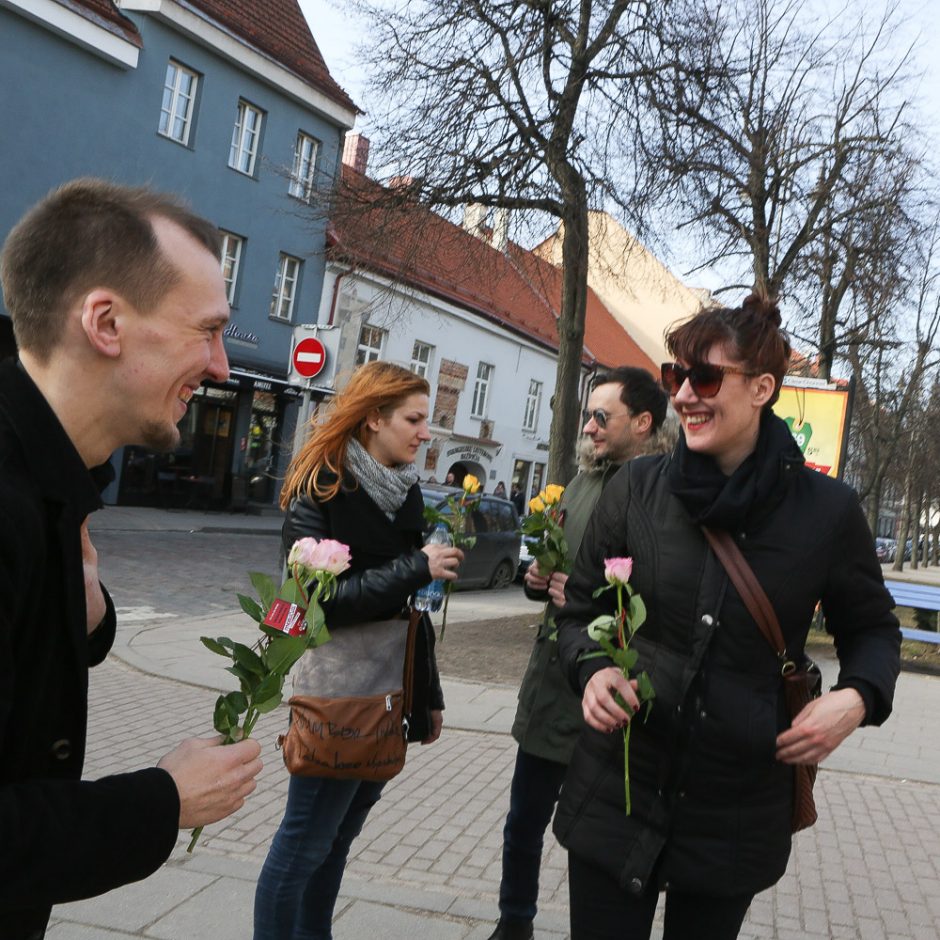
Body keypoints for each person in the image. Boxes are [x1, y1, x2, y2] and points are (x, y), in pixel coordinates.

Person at [554, 294, 901, 940]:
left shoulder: (827, 513)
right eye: (674, 377)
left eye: (705, 377)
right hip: (619, 790)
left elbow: (874, 631)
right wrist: (592, 668)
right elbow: (579, 610)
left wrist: (855, 699)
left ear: (763, 388)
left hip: (735, 812)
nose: (684, 395)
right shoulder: (637, 490)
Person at [0, 179, 263, 939]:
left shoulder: (54, 476)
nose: (220, 366)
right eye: (206, 331)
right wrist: (162, 801)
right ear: (106, 322)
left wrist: (86, 618)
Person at [254, 361, 464, 940]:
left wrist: (432, 693)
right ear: (374, 418)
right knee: (303, 841)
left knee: (338, 839)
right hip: (337, 692)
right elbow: (313, 606)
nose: (427, 433)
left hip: (389, 692)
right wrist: (415, 564)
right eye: (415, 420)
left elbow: (412, 611)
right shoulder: (321, 486)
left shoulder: (406, 490)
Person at [486, 367, 670, 940]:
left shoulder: (661, 491)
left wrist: (602, 606)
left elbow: (669, 601)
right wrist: (537, 579)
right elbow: (550, 563)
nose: (588, 427)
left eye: (601, 417)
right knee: (522, 823)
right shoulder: (580, 480)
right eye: (587, 415)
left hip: (608, 692)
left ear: (643, 423)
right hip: (551, 683)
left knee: (597, 839)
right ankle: (514, 922)